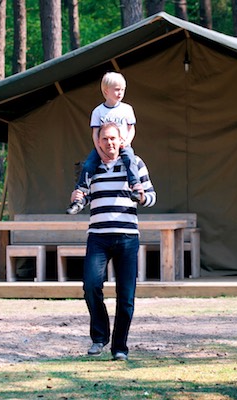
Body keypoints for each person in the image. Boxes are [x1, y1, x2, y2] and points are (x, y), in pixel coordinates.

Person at [70, 122, 156, 361]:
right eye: (104, 139)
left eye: (112, 139)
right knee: (90, 286)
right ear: (97, 142)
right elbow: (81, 197)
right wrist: (77, 196)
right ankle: (99, 337)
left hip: (127, 237)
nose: (109, 143)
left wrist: (141, 197)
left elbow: (151, 197)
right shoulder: (91, 167)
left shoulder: (135, 163)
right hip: (98, 236)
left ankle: (120, 347)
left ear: (121, 140)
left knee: (126, 296)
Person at [67, 71, 142, 215]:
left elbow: (131, 129)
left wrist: (126, 142)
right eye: (117, 89)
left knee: (130, 160)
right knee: (88, 165)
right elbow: (95, 134)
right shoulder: (98, 111)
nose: (120, 93)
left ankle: (136, 187)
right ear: (106, 91)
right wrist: (100, 151)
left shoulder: (127, 109)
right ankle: (80, 194)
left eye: (122, 90)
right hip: (102, 148)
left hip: (122, 146)